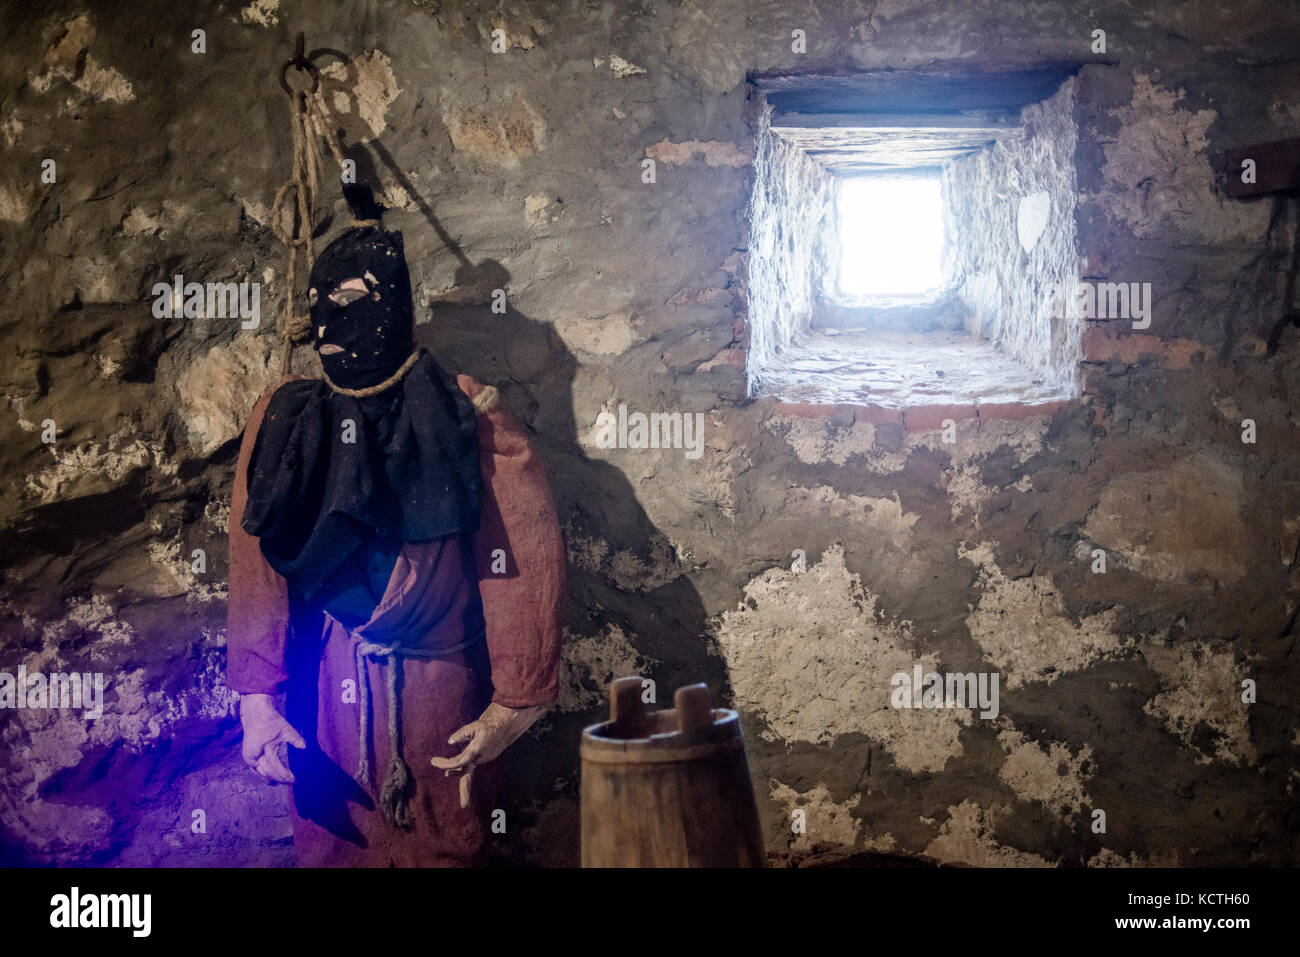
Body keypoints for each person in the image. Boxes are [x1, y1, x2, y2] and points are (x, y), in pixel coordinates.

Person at [226, 219, 565, 866]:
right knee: (333, 847)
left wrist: (515, 699)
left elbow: (521, 556)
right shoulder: (287, 423)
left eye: (353, 302)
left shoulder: (464, 416)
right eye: (323, 304)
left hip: (439, 684)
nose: (333, 322)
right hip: (326, 688)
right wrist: (256, 698)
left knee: (448, 845)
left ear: (392, 303)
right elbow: (256, 564)